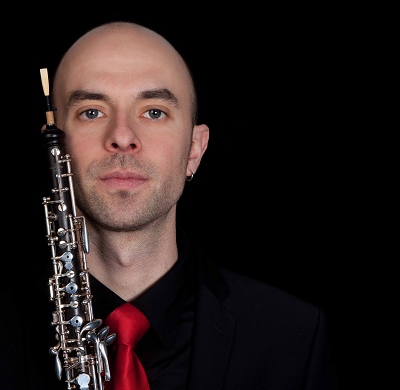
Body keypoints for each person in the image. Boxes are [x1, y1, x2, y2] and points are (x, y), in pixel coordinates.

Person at [0, 21, 337, 390]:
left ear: (194, 150)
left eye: (154, 112)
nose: (122, 137)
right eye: (92, 112)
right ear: (56, 149)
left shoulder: (294, 337)